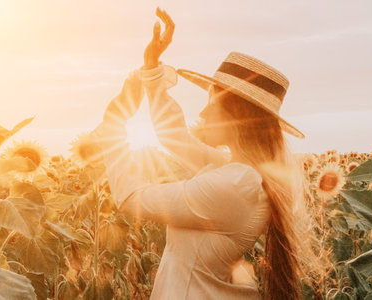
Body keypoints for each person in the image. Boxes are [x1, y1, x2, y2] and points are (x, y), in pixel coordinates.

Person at [93, 8, 318, 300]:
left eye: (213, 103)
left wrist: (114, 124)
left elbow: (130, 197)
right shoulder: (240, 172)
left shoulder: (238, 184)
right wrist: (151, 69)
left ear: (237, 116)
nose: (203, 112)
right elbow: (174, 137)